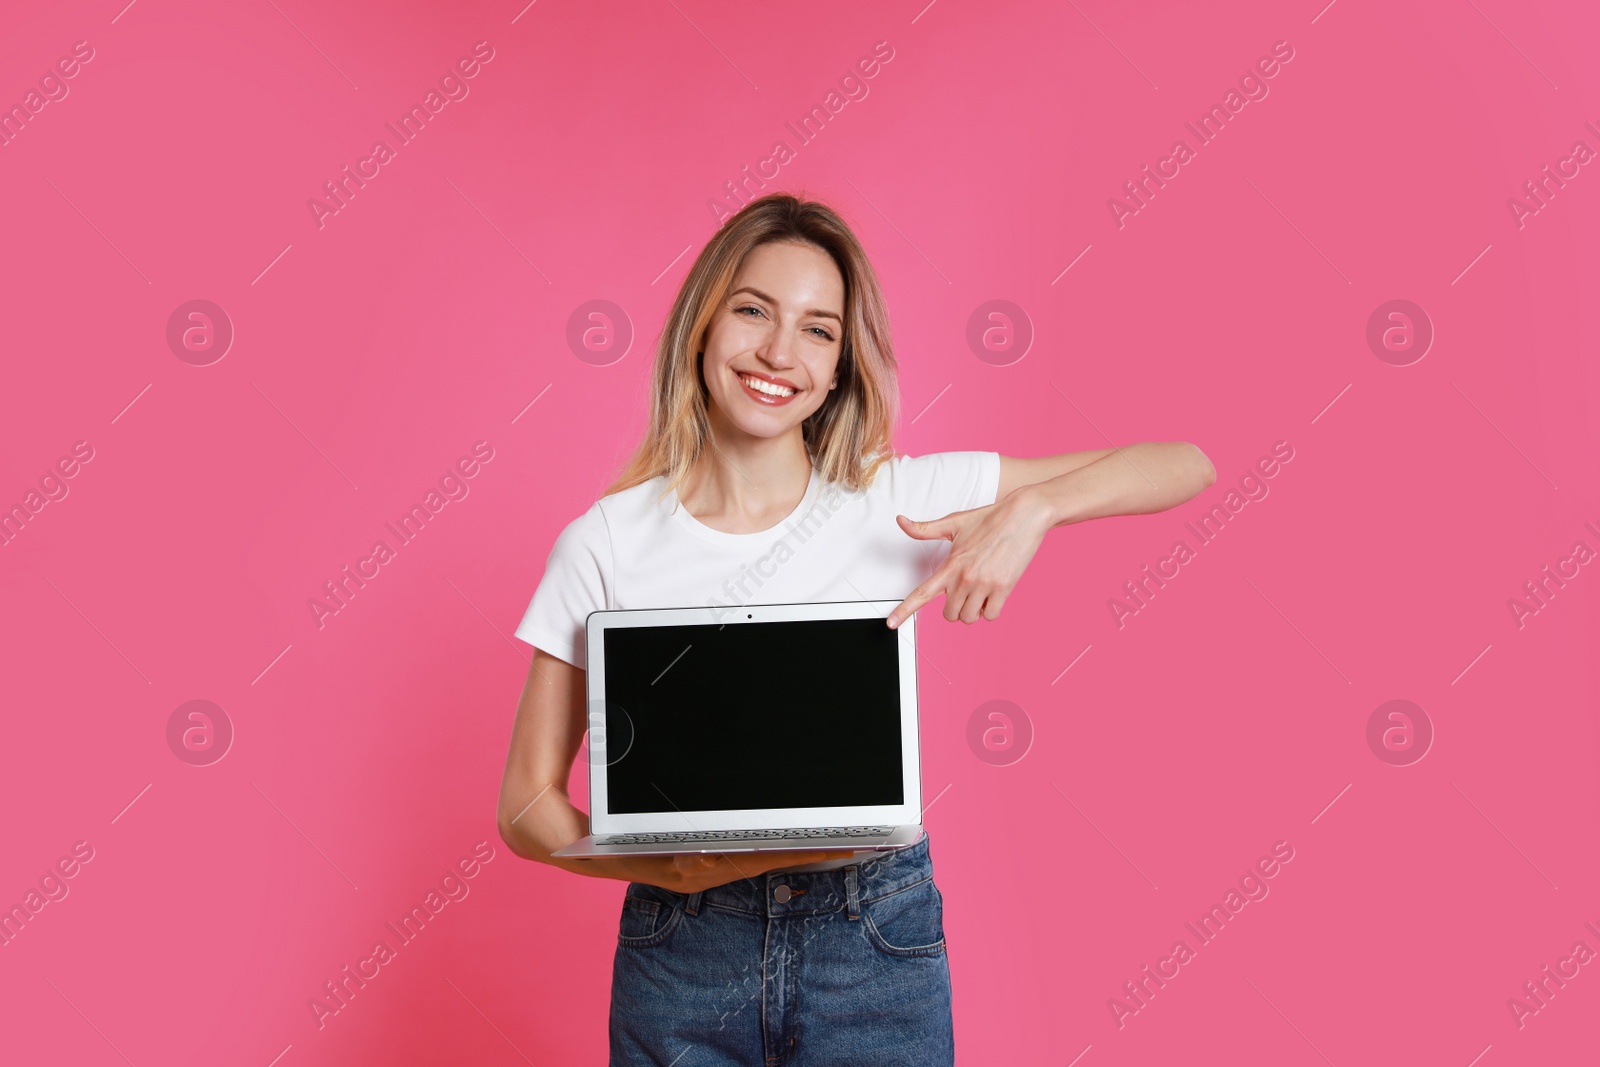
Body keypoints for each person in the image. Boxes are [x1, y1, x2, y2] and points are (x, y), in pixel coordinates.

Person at [497, 192, 1215, 1066]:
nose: (777, 352)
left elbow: (1187, 464)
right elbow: (526, 804)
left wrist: (1035, 509)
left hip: (872, 936)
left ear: (839, 367)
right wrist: (658, 869)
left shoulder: (896, 499)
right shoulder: (605, 539)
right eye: (754, 310)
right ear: (701, 326)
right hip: (683, 948)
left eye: (817, 330)